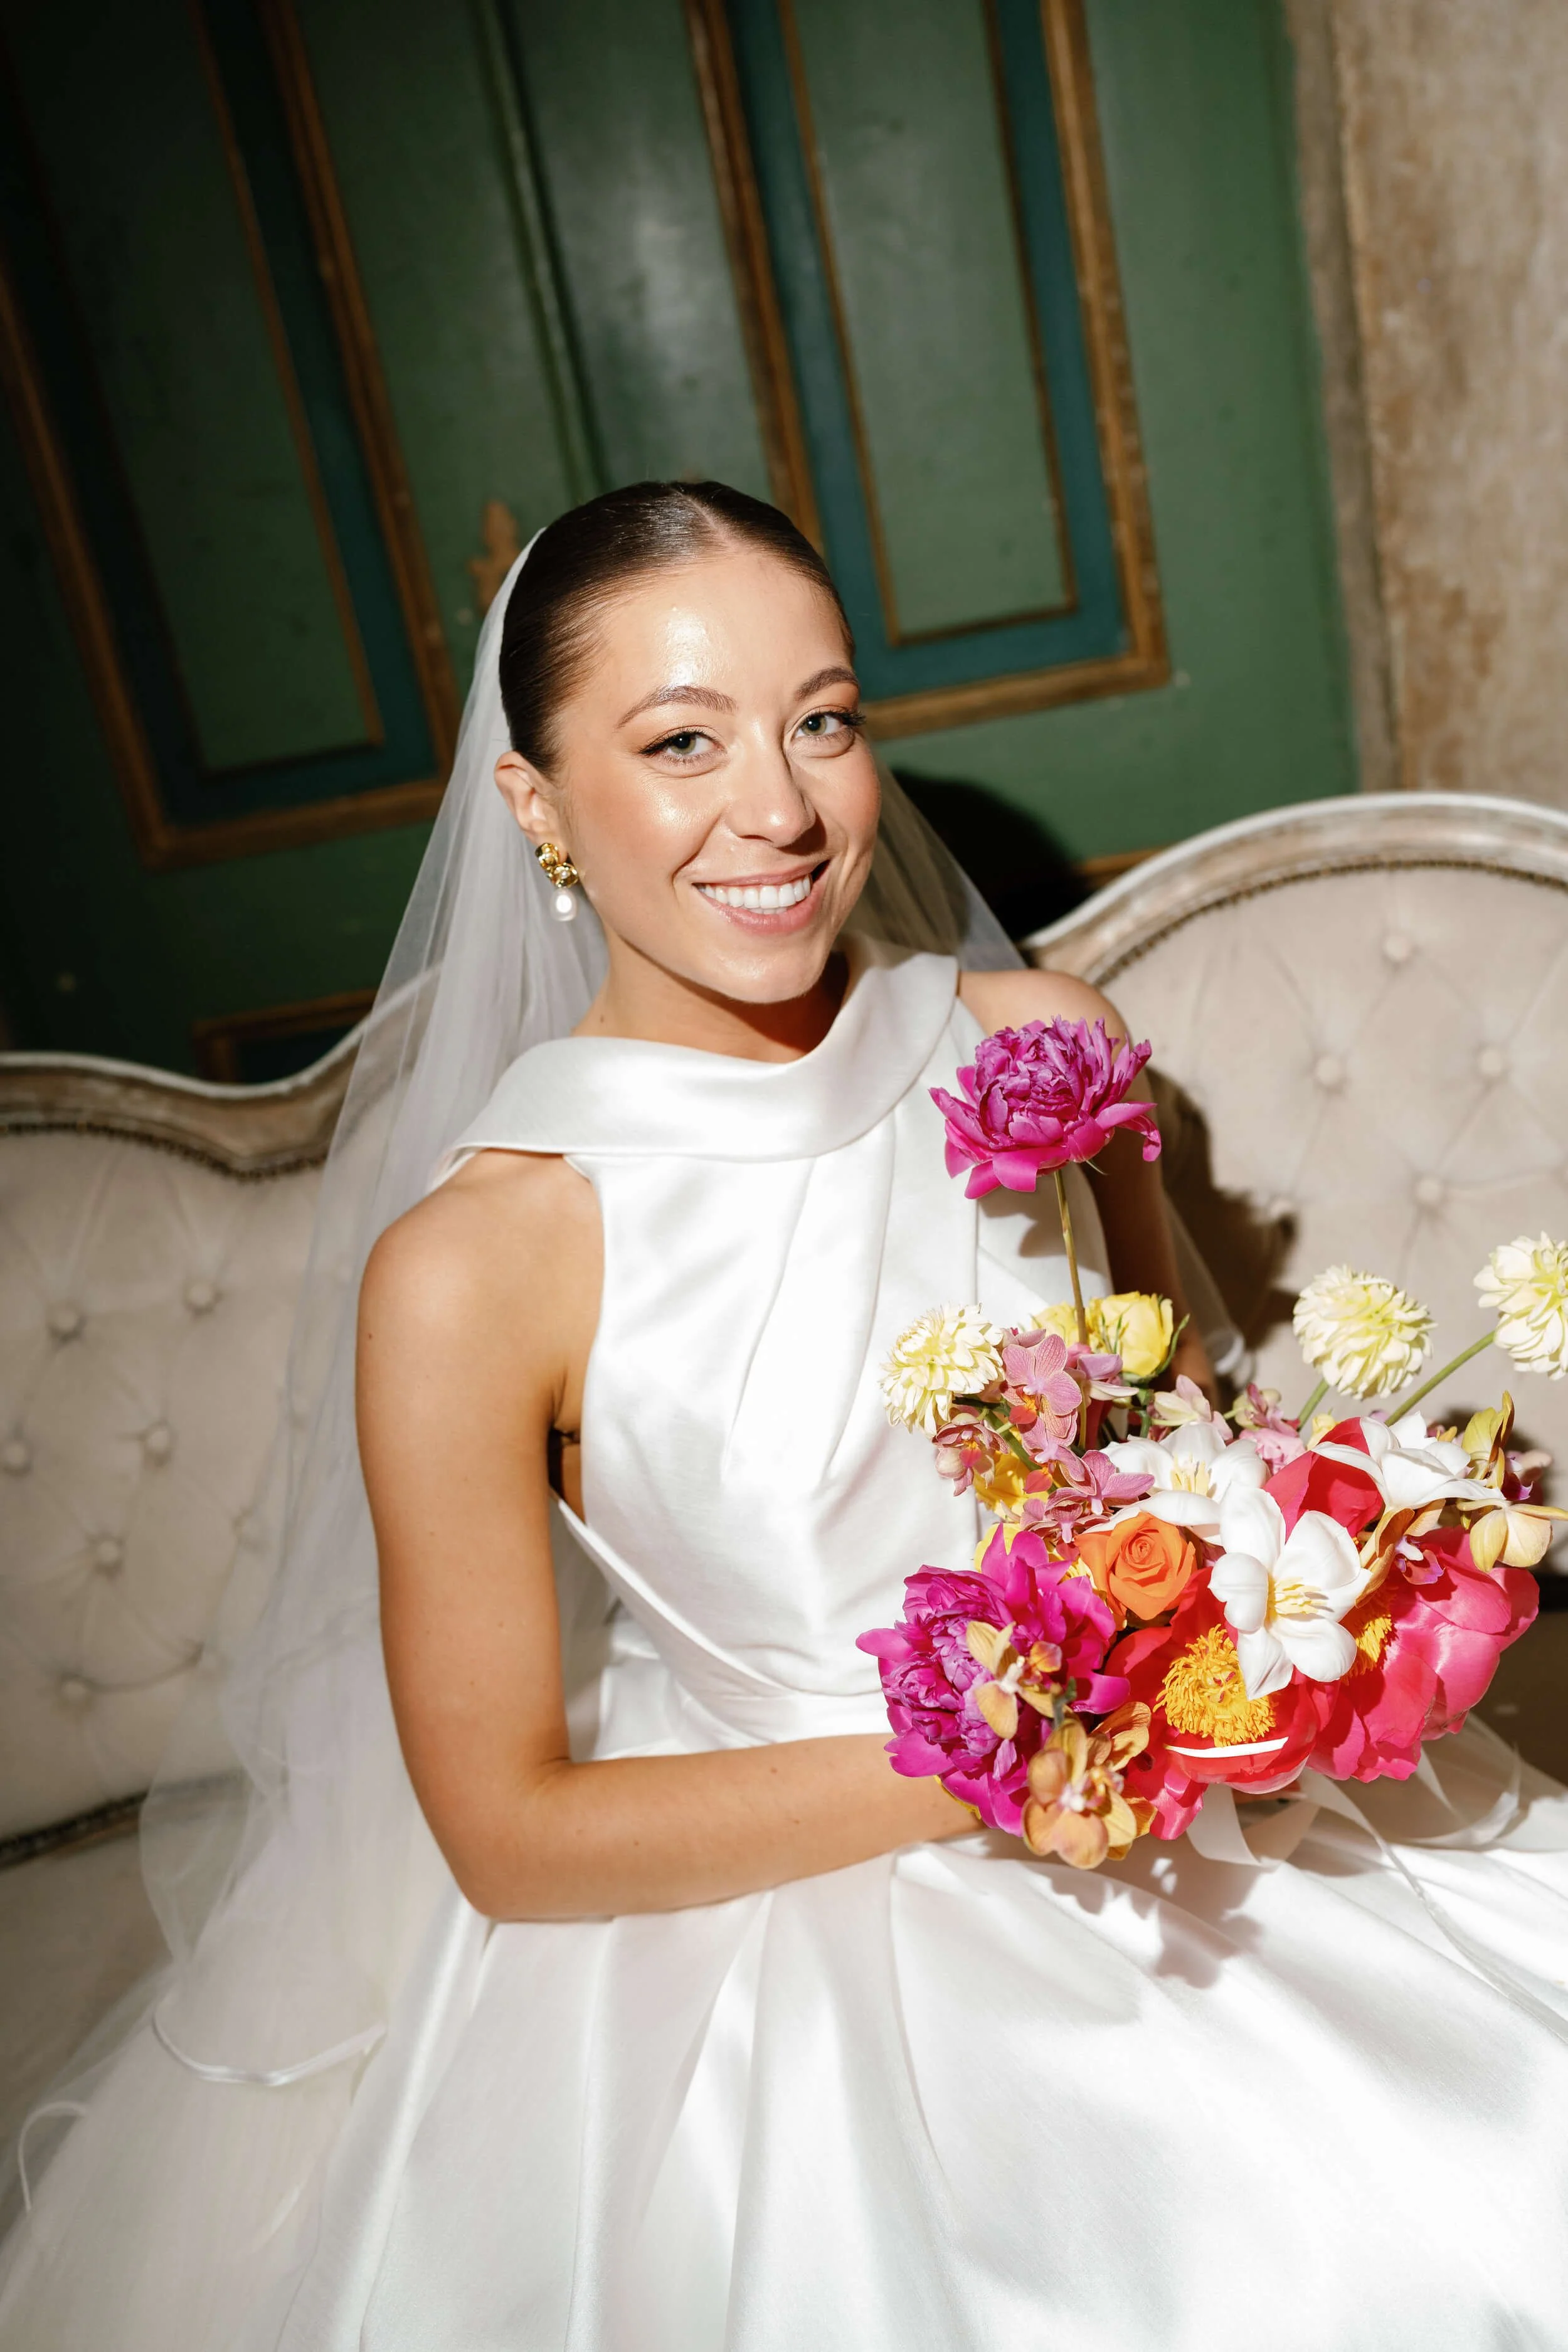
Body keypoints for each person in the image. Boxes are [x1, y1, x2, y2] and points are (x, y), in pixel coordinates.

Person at [3, 482, 1567, 2351]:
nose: (780, 808)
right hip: (792, 1903)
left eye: (820, 719)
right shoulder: (478, 1259)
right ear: (537, 806)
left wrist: (1323, 1553)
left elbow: (1177, 1426)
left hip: (1194, 1824)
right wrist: (1028, 1744)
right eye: (681, 742)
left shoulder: (1030, 1035)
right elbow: (505, 1828)